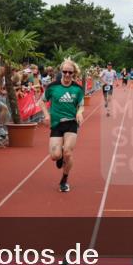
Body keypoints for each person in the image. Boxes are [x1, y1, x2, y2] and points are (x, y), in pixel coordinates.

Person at [42, 59, 85, 193]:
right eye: (64, 72)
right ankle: (59, 156)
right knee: (55, 156)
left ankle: (64, 180)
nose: (67, 75)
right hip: (56, 124)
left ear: (74, 73)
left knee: (67, 152)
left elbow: (81, 105)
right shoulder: (53, 87)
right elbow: (42, 102)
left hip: (71, 122)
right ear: (61, 71)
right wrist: (47, 115)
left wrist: (79, 112)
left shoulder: (77, 89)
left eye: (70, 72)